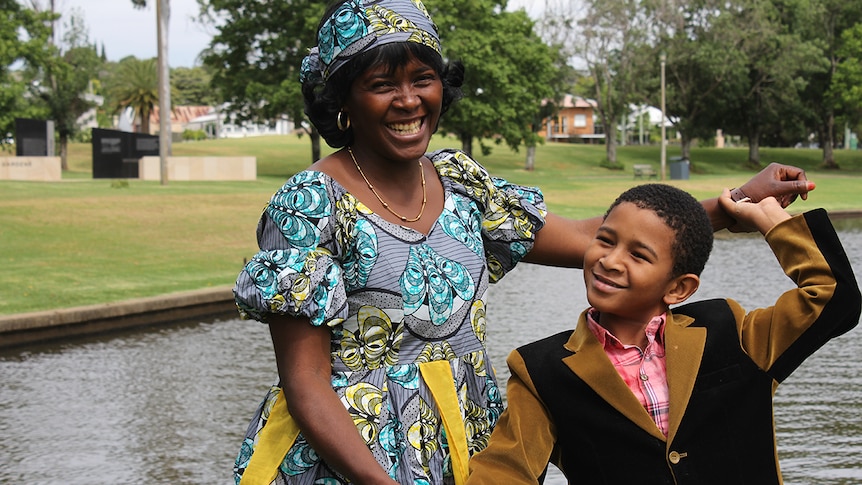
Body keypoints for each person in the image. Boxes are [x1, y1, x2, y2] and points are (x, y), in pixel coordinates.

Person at [230, 1, 815, 484]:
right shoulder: (309, 204)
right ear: (342, 103)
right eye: (381, 85)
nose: (408, 101)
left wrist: (736, 203)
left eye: (422, 79)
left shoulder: (460, 183)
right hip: (352, 460)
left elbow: (596, 239)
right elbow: (304, 383)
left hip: (474, 447)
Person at [465, 184, 861, 485]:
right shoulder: (540, 371)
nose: (610, 260)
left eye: (639, 255)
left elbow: (833, 298)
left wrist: (772, 221)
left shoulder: (731, 331)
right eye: (605, 239)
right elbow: (504, 472)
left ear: (679, 289)